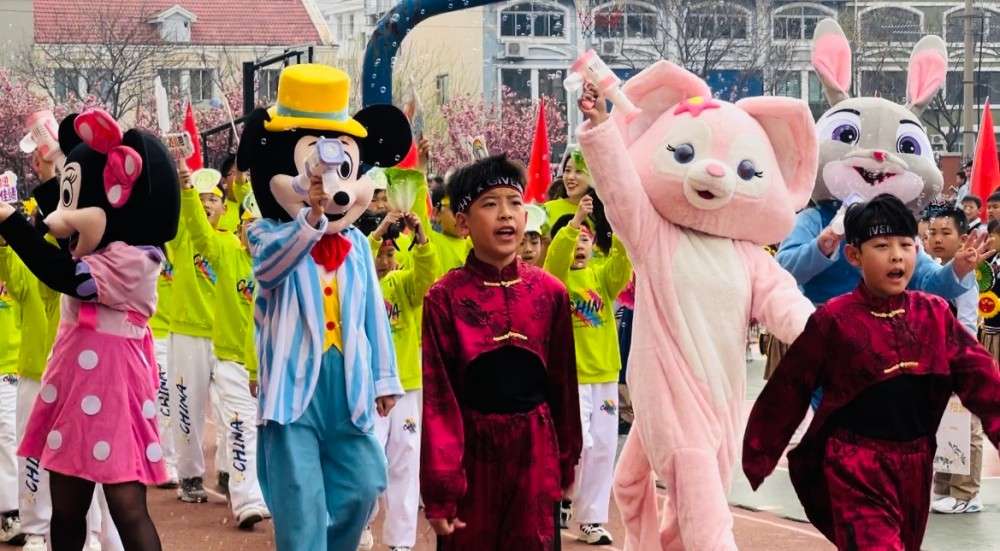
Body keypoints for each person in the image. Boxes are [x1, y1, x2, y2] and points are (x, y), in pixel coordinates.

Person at [743, 194, 1000, 551]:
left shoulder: (934, 315)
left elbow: (982, 379)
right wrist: (760, 452)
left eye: (905, 245)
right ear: (854, 255)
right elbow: (790, 387)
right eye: (881, 246)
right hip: (853, 463)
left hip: (915, 465)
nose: (896, 255)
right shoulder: (835, 320)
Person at [0, 108, 179, 551]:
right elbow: (68, 229)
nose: (64, 216)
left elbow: (62, 273)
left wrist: (9, 221)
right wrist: (52, 173)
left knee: (126, 503)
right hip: (74, 382)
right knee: (66, 504)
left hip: (114, 384)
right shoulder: (101, 250)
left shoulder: (136, 261)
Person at [420, 154, 582, 551]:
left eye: (514, 202)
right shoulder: (444, 298)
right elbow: (440, 401)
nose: (505, 214)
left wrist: (567, 460)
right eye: (490, 204)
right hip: (473, 459)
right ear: (463, 222)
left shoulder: (550, 293)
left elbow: (563, 385)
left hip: (536, 453)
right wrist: (441, 488)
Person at [176, 164, 270, 528]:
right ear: (240, 227)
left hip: (272, 366)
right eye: (248, 225)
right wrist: (188, 191)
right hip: (232, 362)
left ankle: (265, 492)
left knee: (269, 435)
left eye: (260, 225)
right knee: (241, 427)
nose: (253, 233)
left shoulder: (280, 265)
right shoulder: (227, 250)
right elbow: (200, 232)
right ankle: (247, 502)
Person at [544, 196, 632, 546]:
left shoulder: (601, 276)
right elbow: (554, 261)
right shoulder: (557, 280)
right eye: (574, 238)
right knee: (579, 444)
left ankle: (591, 519)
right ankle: (563, 497)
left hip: (604, 374)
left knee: (604, 448)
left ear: (594, 244)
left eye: (585, 238)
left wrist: (620, 224)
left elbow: (623, 265)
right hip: (572, 378)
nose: (579, 244)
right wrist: (577, 218)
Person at [366, 210, 438, 551]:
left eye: (390, 253)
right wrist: (377, 233)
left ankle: (401, 542)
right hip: (365, 389)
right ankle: (360, 525)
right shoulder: (355, 284)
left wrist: (421, 237)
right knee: (367, 462)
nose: (384, 261)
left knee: (405, 464)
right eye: (379, 252)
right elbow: (355, 258)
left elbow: (427, 275)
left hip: (406, 386)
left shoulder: (403, 285)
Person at [429, 184, 472, 276]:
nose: (461, 216)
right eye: (454, 209)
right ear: (436, 213)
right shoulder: (429, 240)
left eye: (465, 208)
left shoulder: (476, 244)